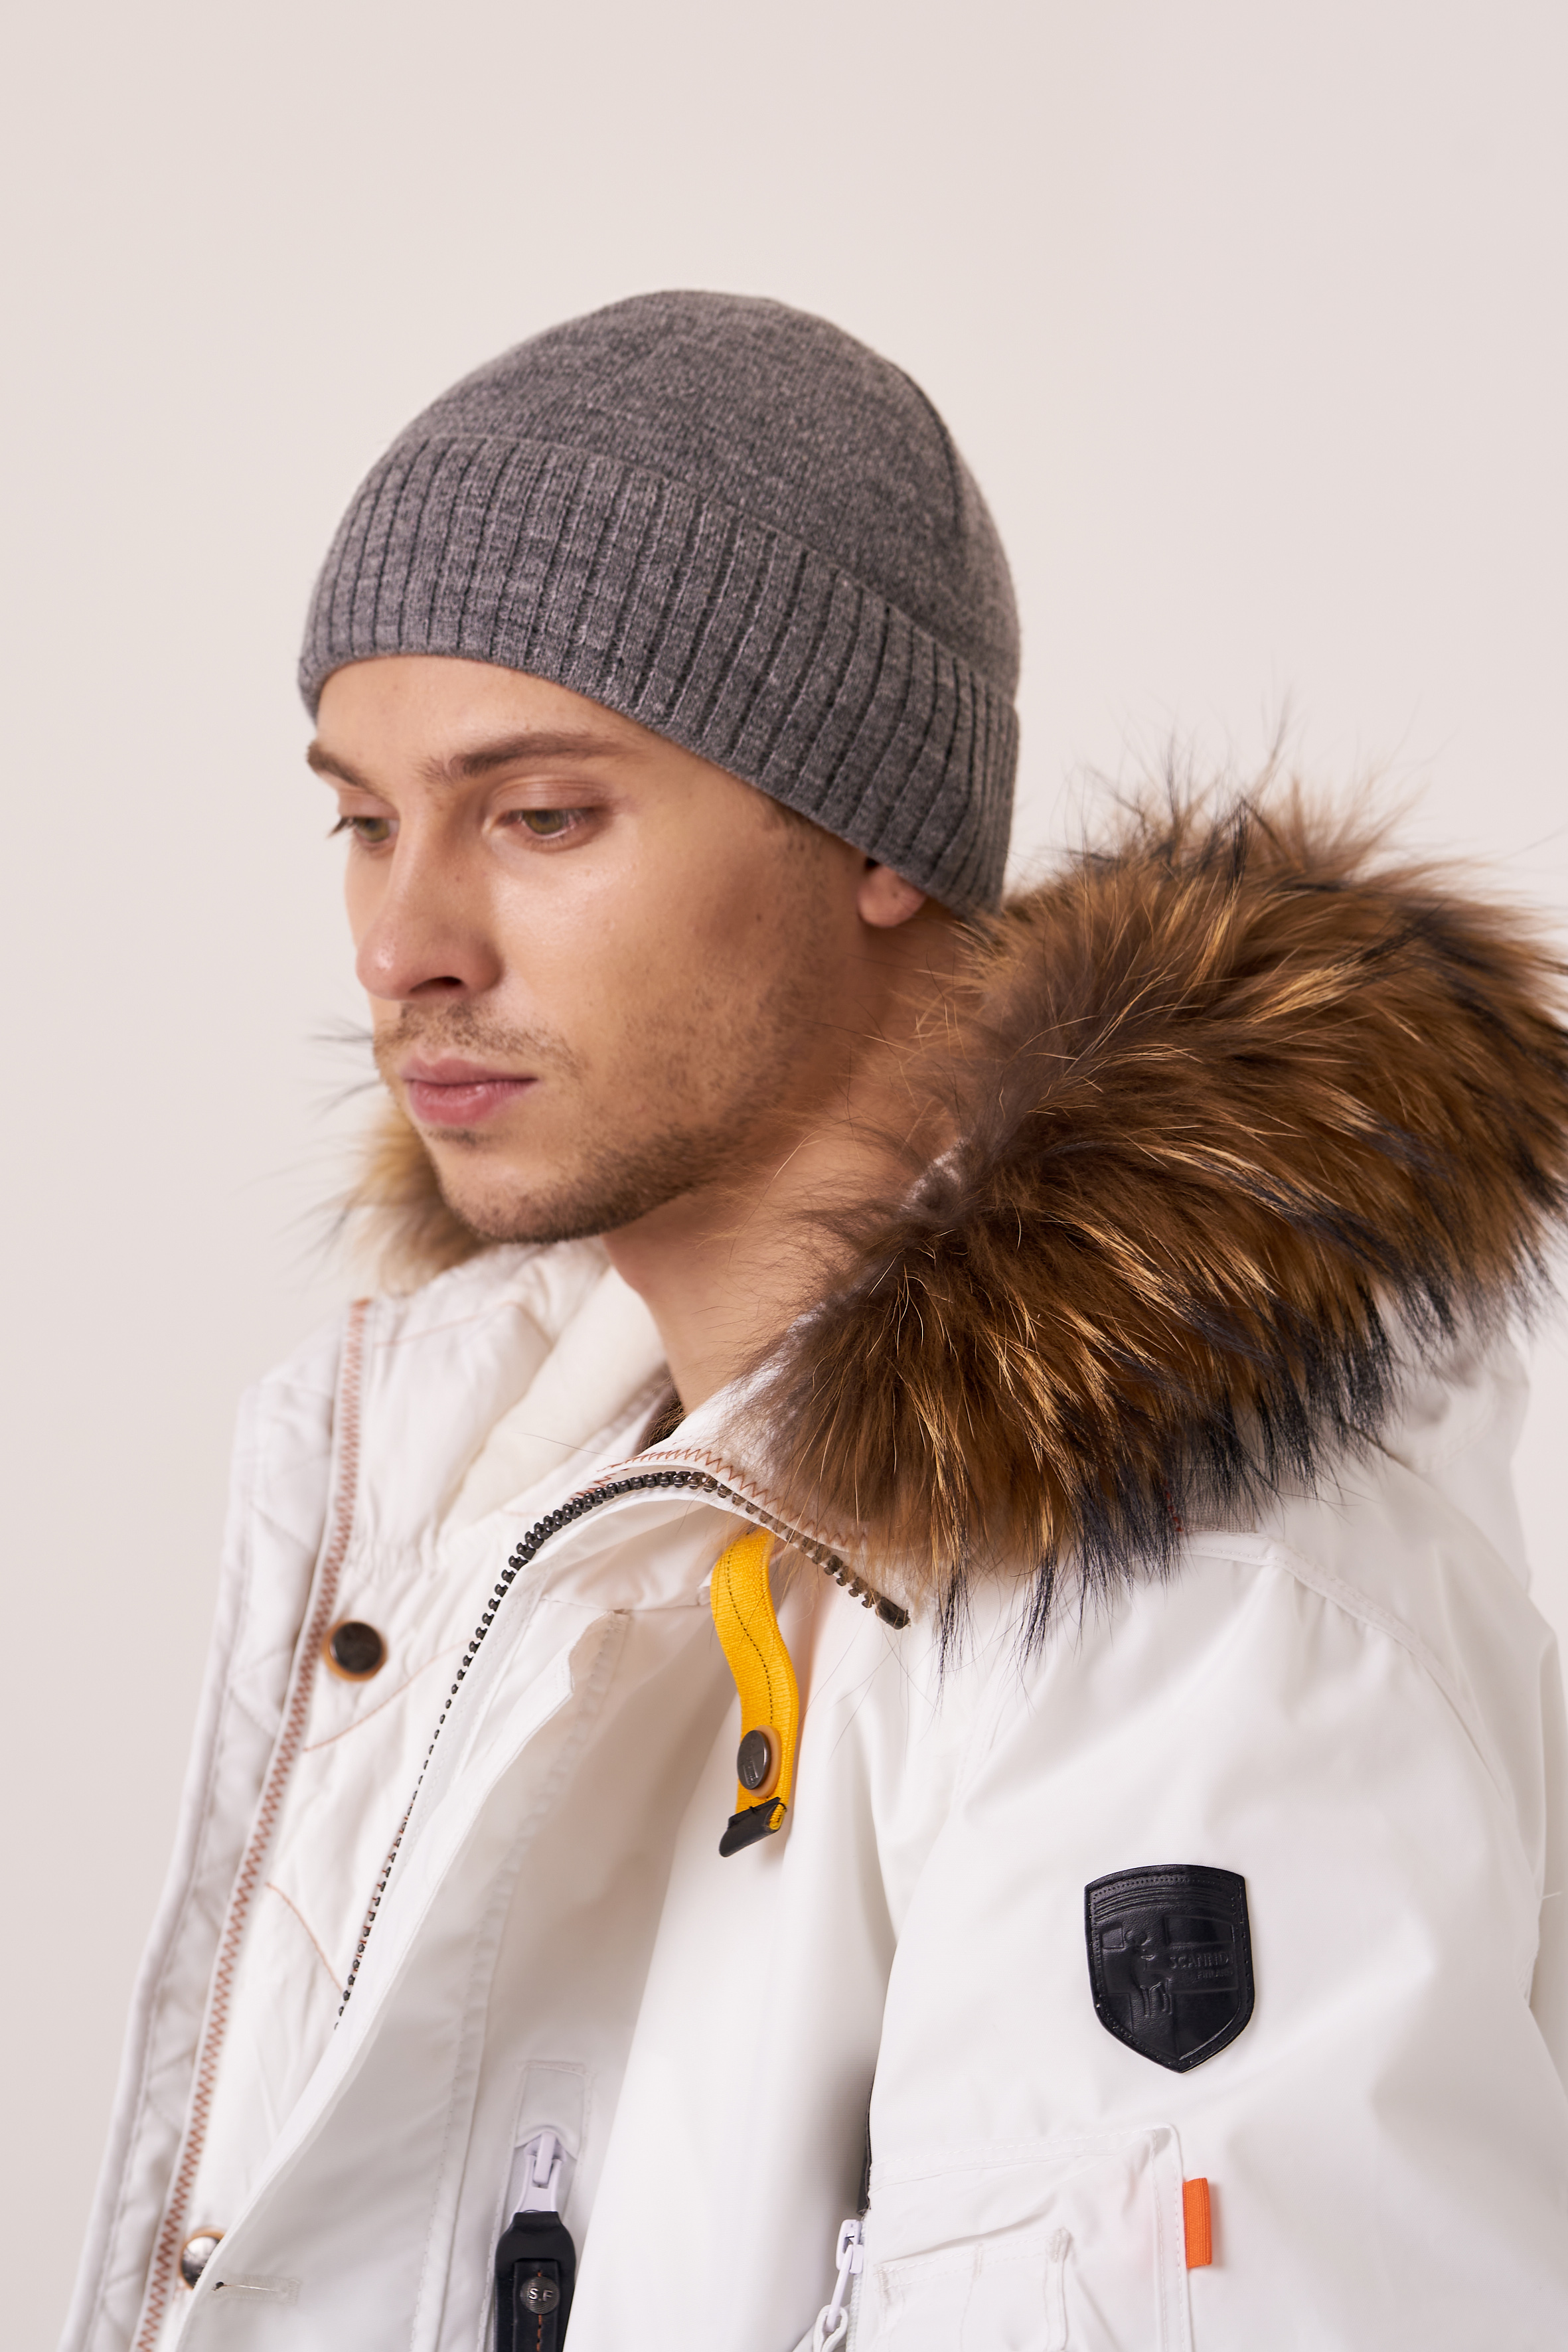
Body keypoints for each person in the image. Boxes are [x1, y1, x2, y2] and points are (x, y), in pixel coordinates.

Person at [62, 292, 1568, 2352]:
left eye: (540, 814)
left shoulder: (1171, 1604)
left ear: (876, 836)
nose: (401, 943)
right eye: (364, 817)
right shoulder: (487, 1499)